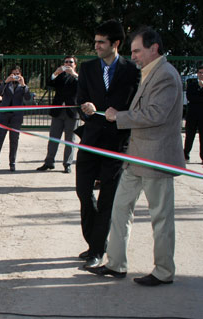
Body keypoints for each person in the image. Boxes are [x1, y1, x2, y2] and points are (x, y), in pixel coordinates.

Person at [87, 27, 185, 287]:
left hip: (156, 159)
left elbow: (155, 115)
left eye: (137, 51)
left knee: (161, 218)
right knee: (120, 209)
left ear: (154, 48)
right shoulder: (150, 73)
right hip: (135, 158)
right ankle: (116, 264)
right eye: (132, 52)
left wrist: (118, 116)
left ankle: (164, 271)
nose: (134, 57)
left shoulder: (165, 75)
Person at [75, 20, 140, 269]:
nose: (97, 46)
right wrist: (87, 109)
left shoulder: (132, 71)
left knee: (107, 200)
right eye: (95, 41)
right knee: (83, 191)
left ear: (116, 44)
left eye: (102, 42)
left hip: (116, 143)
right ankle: (94, 241)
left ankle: (96, 249)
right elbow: (80, 100)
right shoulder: (88, 68)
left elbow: (136, 106)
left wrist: (120, 114)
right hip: (90, 141)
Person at [36, 56, 79, 174]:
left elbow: (84, 86)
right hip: (58, 112)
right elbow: (49, 83)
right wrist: (56, 73)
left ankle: (67, 164)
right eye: (66, 62)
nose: (68, 64)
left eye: (71, 62)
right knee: (53, 138)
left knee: (70, 140)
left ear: (75, 64)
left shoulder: (78, 77)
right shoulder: (60, 76)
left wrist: (74, 74)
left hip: (71, 112)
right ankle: (49, 162)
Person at [0, 65, 30, 172]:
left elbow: (28, 98)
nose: (15, 76)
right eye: (13, 74)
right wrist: (6, 82)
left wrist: (23, 84)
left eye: (17, 74)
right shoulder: (6, 84)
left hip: (16, 116)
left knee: (14, 140)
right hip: (4, 115)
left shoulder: (23, 86)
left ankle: (12, 163)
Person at [183, 65, 203, 162]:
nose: (201, 74)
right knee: (189, 136)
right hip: (192, 115)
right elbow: (190, 97)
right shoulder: (192, 85)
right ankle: (186, 154)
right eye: (199, 72)